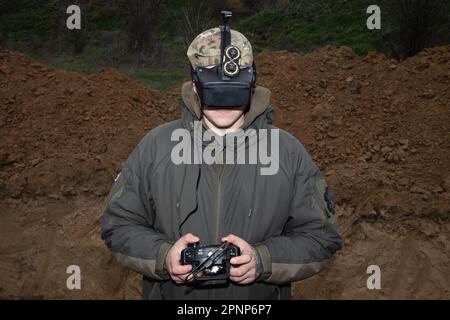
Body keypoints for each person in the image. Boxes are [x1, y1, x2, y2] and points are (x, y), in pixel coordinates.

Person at [100, 15, 342, 300]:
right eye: (213, 86)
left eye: (233, 86)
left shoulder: (286, 152)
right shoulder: (157, 146)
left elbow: (321, 236)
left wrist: (262, 260)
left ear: (252, 84)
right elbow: (118, 225)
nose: (223, 99)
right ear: (194, 86)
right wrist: (163, 256)